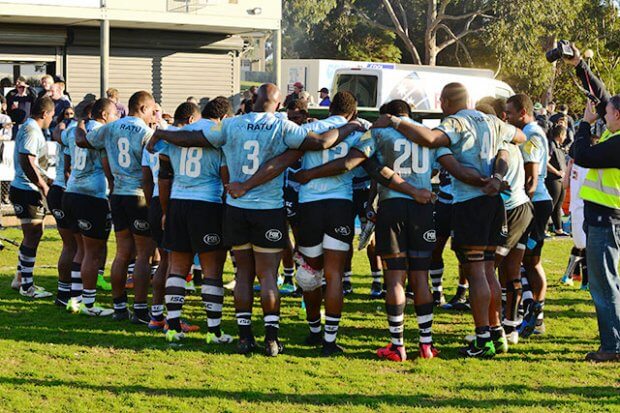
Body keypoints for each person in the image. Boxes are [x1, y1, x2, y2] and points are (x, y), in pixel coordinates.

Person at [150, 83, 360, 357]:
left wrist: (163, 132)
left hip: (236, 208)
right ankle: (271, 339)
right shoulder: (282, 126)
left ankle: (244, 337)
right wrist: (349, 127)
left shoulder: (233, 124)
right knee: (269, 276)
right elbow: (321, 142)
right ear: (278, 104)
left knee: (243, 275)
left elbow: (197, 138)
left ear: (254, 99)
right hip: (268, 209)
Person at [372, 84, 527, 358]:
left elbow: (431, 140)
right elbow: (518, 137)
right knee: (489, 270)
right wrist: (497, 177)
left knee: (477, 271)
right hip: (494, 202)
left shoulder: (455, 122)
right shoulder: (492, 120)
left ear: (444, 102)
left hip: (470, 202)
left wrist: (396, 120)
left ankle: (482, 339)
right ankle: (496, 332)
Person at [75, 91, 156, 324]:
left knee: (122, 253)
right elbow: (149, 172)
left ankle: (120, 306)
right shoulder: (145, 132)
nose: (152, 115)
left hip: (117, 195)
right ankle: (140, 310)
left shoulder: (110, 128)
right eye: (151, 110)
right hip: (137, 196)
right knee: (143, 255)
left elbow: (83, 140)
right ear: (141, 108)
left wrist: (80, 124)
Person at [156, 98, 233, 344]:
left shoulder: (175, 134)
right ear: (224, 117)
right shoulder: (219, 134)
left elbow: (164, 177)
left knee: (177, 268)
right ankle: (214, 331)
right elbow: (225, 177)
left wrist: (166, 210)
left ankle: (173, 327)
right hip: (207, 204)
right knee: (212, 270)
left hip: (178, 202)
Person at [60, 98, 118, 316]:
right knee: (93, 253)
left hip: (71, 192)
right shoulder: (103, 132)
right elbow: (106, 166)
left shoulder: (75, 129)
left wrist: (79, 124)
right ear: (104, 115)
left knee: (81, 250)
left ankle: (74, 300)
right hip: (91, 195)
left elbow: (59, 136)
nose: (116, 118)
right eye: (114, 114)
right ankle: (89, 305)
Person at [573, 99, 620, 362]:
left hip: (606, 220)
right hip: (605, 218)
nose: (604, 118)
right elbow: (603, 97)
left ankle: (613, 347)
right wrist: (581, 67)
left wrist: (583, 125)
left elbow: (582, 156)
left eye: (609, 114)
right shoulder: (613, 136)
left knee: (604, 285)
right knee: (608, 282)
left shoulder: (617, 142)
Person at [505, 93, 553, 339]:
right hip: (534, 203)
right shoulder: (529, 133)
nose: (508, 118)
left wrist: (521, 205)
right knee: (526, 261)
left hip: (536, 204)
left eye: (511, 113)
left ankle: (537, 316)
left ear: (523, 113)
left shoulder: (531, 135)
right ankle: (532, 314)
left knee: (530, 261)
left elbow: (532, 180)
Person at [8, 96, 55, 298]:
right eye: (52, 115)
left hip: (27, 189)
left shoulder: (31, 128)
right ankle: (27, 286)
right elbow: (27, 160)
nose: (52, 119)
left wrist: (47, 181)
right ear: (45, 114)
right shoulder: (31, 130)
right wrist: (42, 185)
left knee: (34, 233)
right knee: (33, 234)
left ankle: (20, 279)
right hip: (25, 190)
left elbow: (34, 163)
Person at [546, 124, 569, 235]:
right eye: (565, 135)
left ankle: (558, 228)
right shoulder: (551, 145)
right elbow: (545, 162)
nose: (565, 138)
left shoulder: (560, 147)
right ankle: (543, 228)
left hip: (561, 179)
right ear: (560, 135)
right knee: (551, 204)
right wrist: (556, 172)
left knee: (558, 205)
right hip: (553, 179)